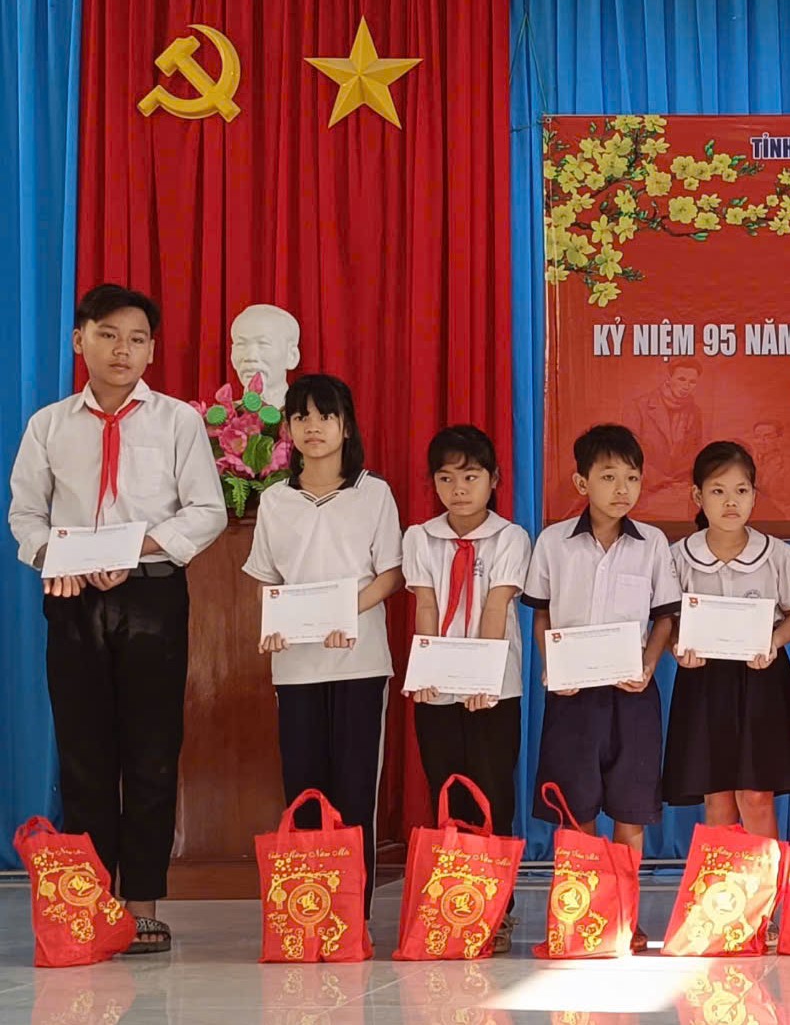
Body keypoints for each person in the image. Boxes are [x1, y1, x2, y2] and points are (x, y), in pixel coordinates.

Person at [8, 283, 226, 953]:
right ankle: (92, 903)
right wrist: (57, 557)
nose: (121, 350)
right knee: (84, 755)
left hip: (152, 595)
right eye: (107, 335)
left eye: (136, 339)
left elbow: (207, 512)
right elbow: (25, 515)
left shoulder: (177, 422)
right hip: (72, 597)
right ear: (80, 340)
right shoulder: (49, 425)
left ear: (152, 350)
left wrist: (137, 549)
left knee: (152, 753)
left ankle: (143, 904)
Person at [246, 374, 404, 917]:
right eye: (302, 417)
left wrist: (345, 612)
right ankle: (309, 911)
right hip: (295, 666)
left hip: (359, 660)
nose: (313, 427)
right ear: (289, 429)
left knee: (355, 788)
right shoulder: (275, 501)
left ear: (346, 426)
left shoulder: (373, 493)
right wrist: (274, 621)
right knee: (303, 788)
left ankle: (352, 913)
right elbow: (267, 578)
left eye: (325, 416)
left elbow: (390, 574)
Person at [523, 423, 681, 951]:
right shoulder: (553, 543)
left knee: (631, 809)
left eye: (632, 478)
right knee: (577, 809)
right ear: (581, 481)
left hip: (632, 696)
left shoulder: (653, 544)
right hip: (573, 698)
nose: (622, 489)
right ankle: (583, 919)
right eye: (609, 476)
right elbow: (541, 614)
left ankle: (624, 918)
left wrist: (649, 664)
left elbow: (664, 617)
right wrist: (552, 665)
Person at [400, 424, 531, 952]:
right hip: (438, 685)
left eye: (471, 477)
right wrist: (425, 673)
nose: (458, 489)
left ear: (493, 480)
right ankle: (454, 901)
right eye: (446, 478)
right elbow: (427, 607)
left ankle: (497, 908)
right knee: (447, 789)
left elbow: (496, 605)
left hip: (494, 686)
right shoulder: (420, 537)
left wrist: (482, 676)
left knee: (493, 791)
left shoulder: (510, 537)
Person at [666, 440, 790, 835]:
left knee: (756, 796)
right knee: (717, 799)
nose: (731, 502)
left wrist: (774, 643)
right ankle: (726, 878)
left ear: (754, 495)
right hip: (704, 682)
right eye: (718, 491)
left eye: (741, 490)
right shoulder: (677, 558)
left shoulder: (780, 557)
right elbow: (669, 622)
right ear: (698, 497)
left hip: (761, 681)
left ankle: (766, 878)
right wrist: (677, 647)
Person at [635, 358, 705, 494]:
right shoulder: (638, 407)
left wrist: (684, 482)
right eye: (681, 379)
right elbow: (630, 454)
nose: (686, 386)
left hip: (680, 487)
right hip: (645, 487)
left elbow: (695, 453)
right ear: (669, 378)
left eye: (692, 382)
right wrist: (661, 481)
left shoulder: (695, 412)